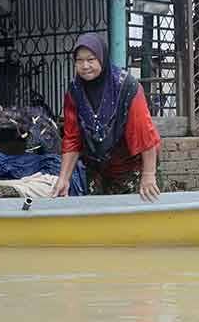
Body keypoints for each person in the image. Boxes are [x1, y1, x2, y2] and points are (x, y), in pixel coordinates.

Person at [50, 32, 161, 201]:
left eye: (91, 59)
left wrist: (148, 174)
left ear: (102, 58)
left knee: (135, 218)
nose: (85, 65)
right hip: (98, 168)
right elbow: (72, 138)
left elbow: (144, 134)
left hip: (134, 167)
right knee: (99, 217)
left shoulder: (127, 87)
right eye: (79, 60)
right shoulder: (75, 92)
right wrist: (64, 179)